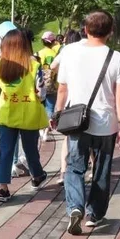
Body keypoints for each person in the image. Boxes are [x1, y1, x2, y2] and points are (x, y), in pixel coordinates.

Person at [54, 11, 120, 234]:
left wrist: (57, 114)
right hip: (106, 123)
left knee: (75, 167)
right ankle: (94, 214)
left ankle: (75, 207)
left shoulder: (69, 51)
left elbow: (63, 88)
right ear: (111, 32)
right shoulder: (117, 58)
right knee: (102, 168)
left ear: (85, 30)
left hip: (77, 121)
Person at [0, 29, 49, 202]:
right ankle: (37, 175)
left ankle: (3, 189)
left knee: (5, 151)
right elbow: (41, 94)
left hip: (7, 113)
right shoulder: (34, 65)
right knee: (30, 148)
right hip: (29, 114)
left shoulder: (0, 64)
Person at [51, 29, 83, 186]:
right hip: (85, 102)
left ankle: (63, 172)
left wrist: (58, 112)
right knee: (89, 140)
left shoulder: (66, 51)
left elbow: (52, 66)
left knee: (67, 138)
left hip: (69, 102)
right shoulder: (86, 52)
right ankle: (93, 170)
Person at [38, 31, 61, 121]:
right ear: (54, 41)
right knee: (50, 108)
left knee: (40, 107)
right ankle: (47, 130)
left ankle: (40, 128)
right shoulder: (56, 54)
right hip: (53, 84)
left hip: (40, 84)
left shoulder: (38, 53)